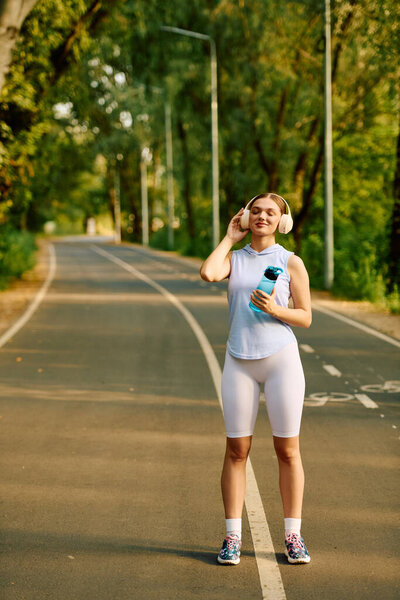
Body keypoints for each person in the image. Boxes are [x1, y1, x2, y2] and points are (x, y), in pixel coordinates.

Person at [200, 193, 312, 566]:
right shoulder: (235, 259)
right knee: (236, 451)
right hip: (239, 361)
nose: (262, 216)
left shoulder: (290, 262)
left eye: (271, 212)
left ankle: (292, 536)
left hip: (281, 361)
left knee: (288, 451)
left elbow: (306, 317)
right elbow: (208, 273)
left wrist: (276, 309)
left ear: (282, 221)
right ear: (246, 217)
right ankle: (232, 536)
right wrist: (230, 237)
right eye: (256, 211)